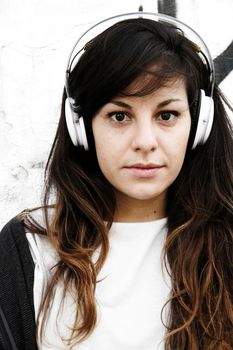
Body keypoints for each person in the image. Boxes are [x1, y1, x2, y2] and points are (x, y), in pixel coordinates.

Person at [0, 12, 232, 350]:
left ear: (200, 125)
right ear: (82, 127)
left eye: (166, 115)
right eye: (119, 116)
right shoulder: (29, 247)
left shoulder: (226, 243)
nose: (145, 141)